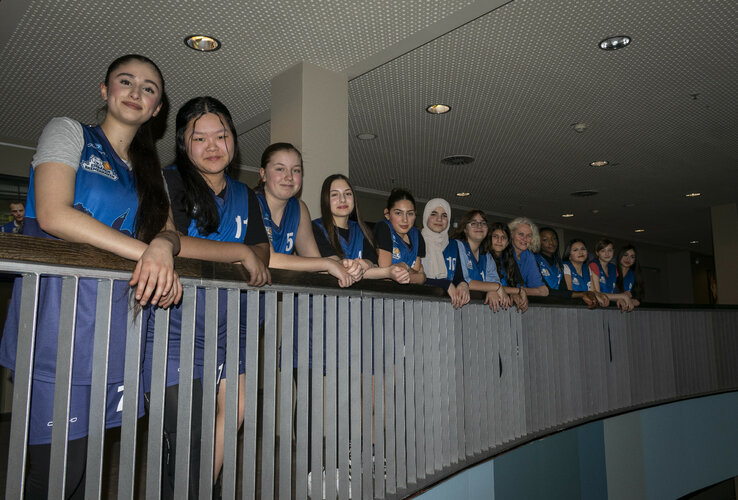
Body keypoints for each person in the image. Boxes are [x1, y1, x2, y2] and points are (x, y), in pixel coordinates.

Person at [0, 54, 182, 499]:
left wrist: (163, 245)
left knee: (90, 470)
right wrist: (149, 250)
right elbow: (53, 213)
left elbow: (171, 234)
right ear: (105, 90)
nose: (136, 92)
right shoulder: (69, 132)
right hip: (59, 324)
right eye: (126, 81)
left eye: (149, 88)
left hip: (119, 328)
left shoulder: (150, 172)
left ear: (158, 109)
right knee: (56, 474)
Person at [145, 96, 271, 496]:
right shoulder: (168, 181)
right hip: (177, 327)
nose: (213, 146)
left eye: (222, 135)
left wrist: (249, 253)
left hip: (230, 327)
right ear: (184, 142)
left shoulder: (245, 194)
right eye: (200, 138)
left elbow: (263, 252)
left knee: (232, 417)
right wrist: (239, 252)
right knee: (186, 440)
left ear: (234, 139)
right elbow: (173, 241)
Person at [255, 143, 358, 285]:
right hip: (227, 288)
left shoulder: (299, 208)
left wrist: (346, 266)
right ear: (263, 174)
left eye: (296, 170)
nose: (289, 176)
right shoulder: (251, 201)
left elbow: (313, 260)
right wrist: (327, 264)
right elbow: (268, 259)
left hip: (262, 294)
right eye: (280, 169)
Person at [313, 173, 408, 283]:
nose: (343, 199)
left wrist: (368, 263)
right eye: (335, 195)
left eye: (348, 194)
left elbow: (373, 263)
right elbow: (337, 267)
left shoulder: (362, 230)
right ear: (325, 199)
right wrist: (387, 272)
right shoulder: (316, 228)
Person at [447, 210, 508, 311]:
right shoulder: (457, 246)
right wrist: (495, 287)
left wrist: (492, 290)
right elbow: (464, 281)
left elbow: (493, 280)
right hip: (453, 307)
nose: (479, 226)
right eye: (474, 223)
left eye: (483, 223)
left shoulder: (487, 255)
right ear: (465, 229)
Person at [535, 227, 607, 308]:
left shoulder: (558, 263)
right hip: (539, 306)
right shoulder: (534, 260)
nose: (551, 242)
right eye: (545, 240)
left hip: (558, 305)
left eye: (554, 239)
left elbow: (564, 291)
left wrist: (590, 295)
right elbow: (545, 290)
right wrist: (582, 294)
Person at [421, 198, 469, 309]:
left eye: (444, 215)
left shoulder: (453, 245)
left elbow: (458, 276)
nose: (439, 219)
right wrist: (444, 284)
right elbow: (414, 279)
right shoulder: (416, 241)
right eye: (434, 214)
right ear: (426, 216)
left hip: (448, 308)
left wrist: (463, 284)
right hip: (421, 305)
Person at [373, 188, 426, 285]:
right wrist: (418, 277)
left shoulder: (417, 235)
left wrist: (405, 267)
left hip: (409, 296)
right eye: (398, 213)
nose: (405, 220)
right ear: (387, 214)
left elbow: (417, 281)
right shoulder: (384, 228)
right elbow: (387, 277)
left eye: (410, 213)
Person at [489, 222, 529, 312]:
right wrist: (515, 291)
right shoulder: (483, 257)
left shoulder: (510, 260)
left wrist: (515, 293)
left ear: (507, 243)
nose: (499, 240)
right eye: (495, 236)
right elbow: (489, 286)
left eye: (503, 238)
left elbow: (519, 285)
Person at [507, 217, 549, 297]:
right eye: (521, 234)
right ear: (511, 234)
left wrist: (519, 291)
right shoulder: (503, 252)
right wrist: (521, 291)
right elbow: (500, 287)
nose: (525, 239)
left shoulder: (529, 256)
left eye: (529, 236)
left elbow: (543, 291)